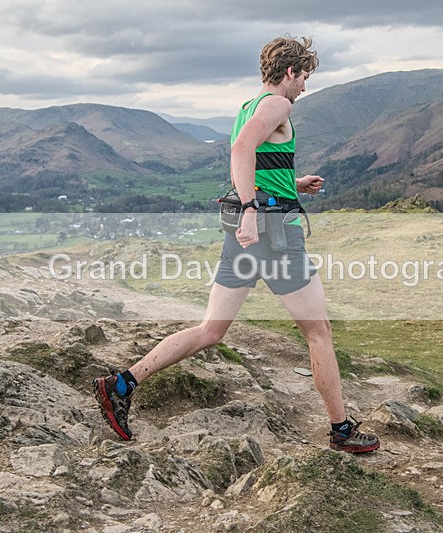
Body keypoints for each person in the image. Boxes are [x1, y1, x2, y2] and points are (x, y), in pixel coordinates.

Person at [93, 36, 379, 454]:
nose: (304, 88)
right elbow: (242, 148)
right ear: (289, 73)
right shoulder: (278, 105)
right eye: (304, 78)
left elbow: (254, 157)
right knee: (319, 334)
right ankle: (341, 430)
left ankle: (122, 383)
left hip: (244, 233)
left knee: (211, 329)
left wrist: (292, 185)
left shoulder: (249, 105)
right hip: (273, 234)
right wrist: (250, 207)